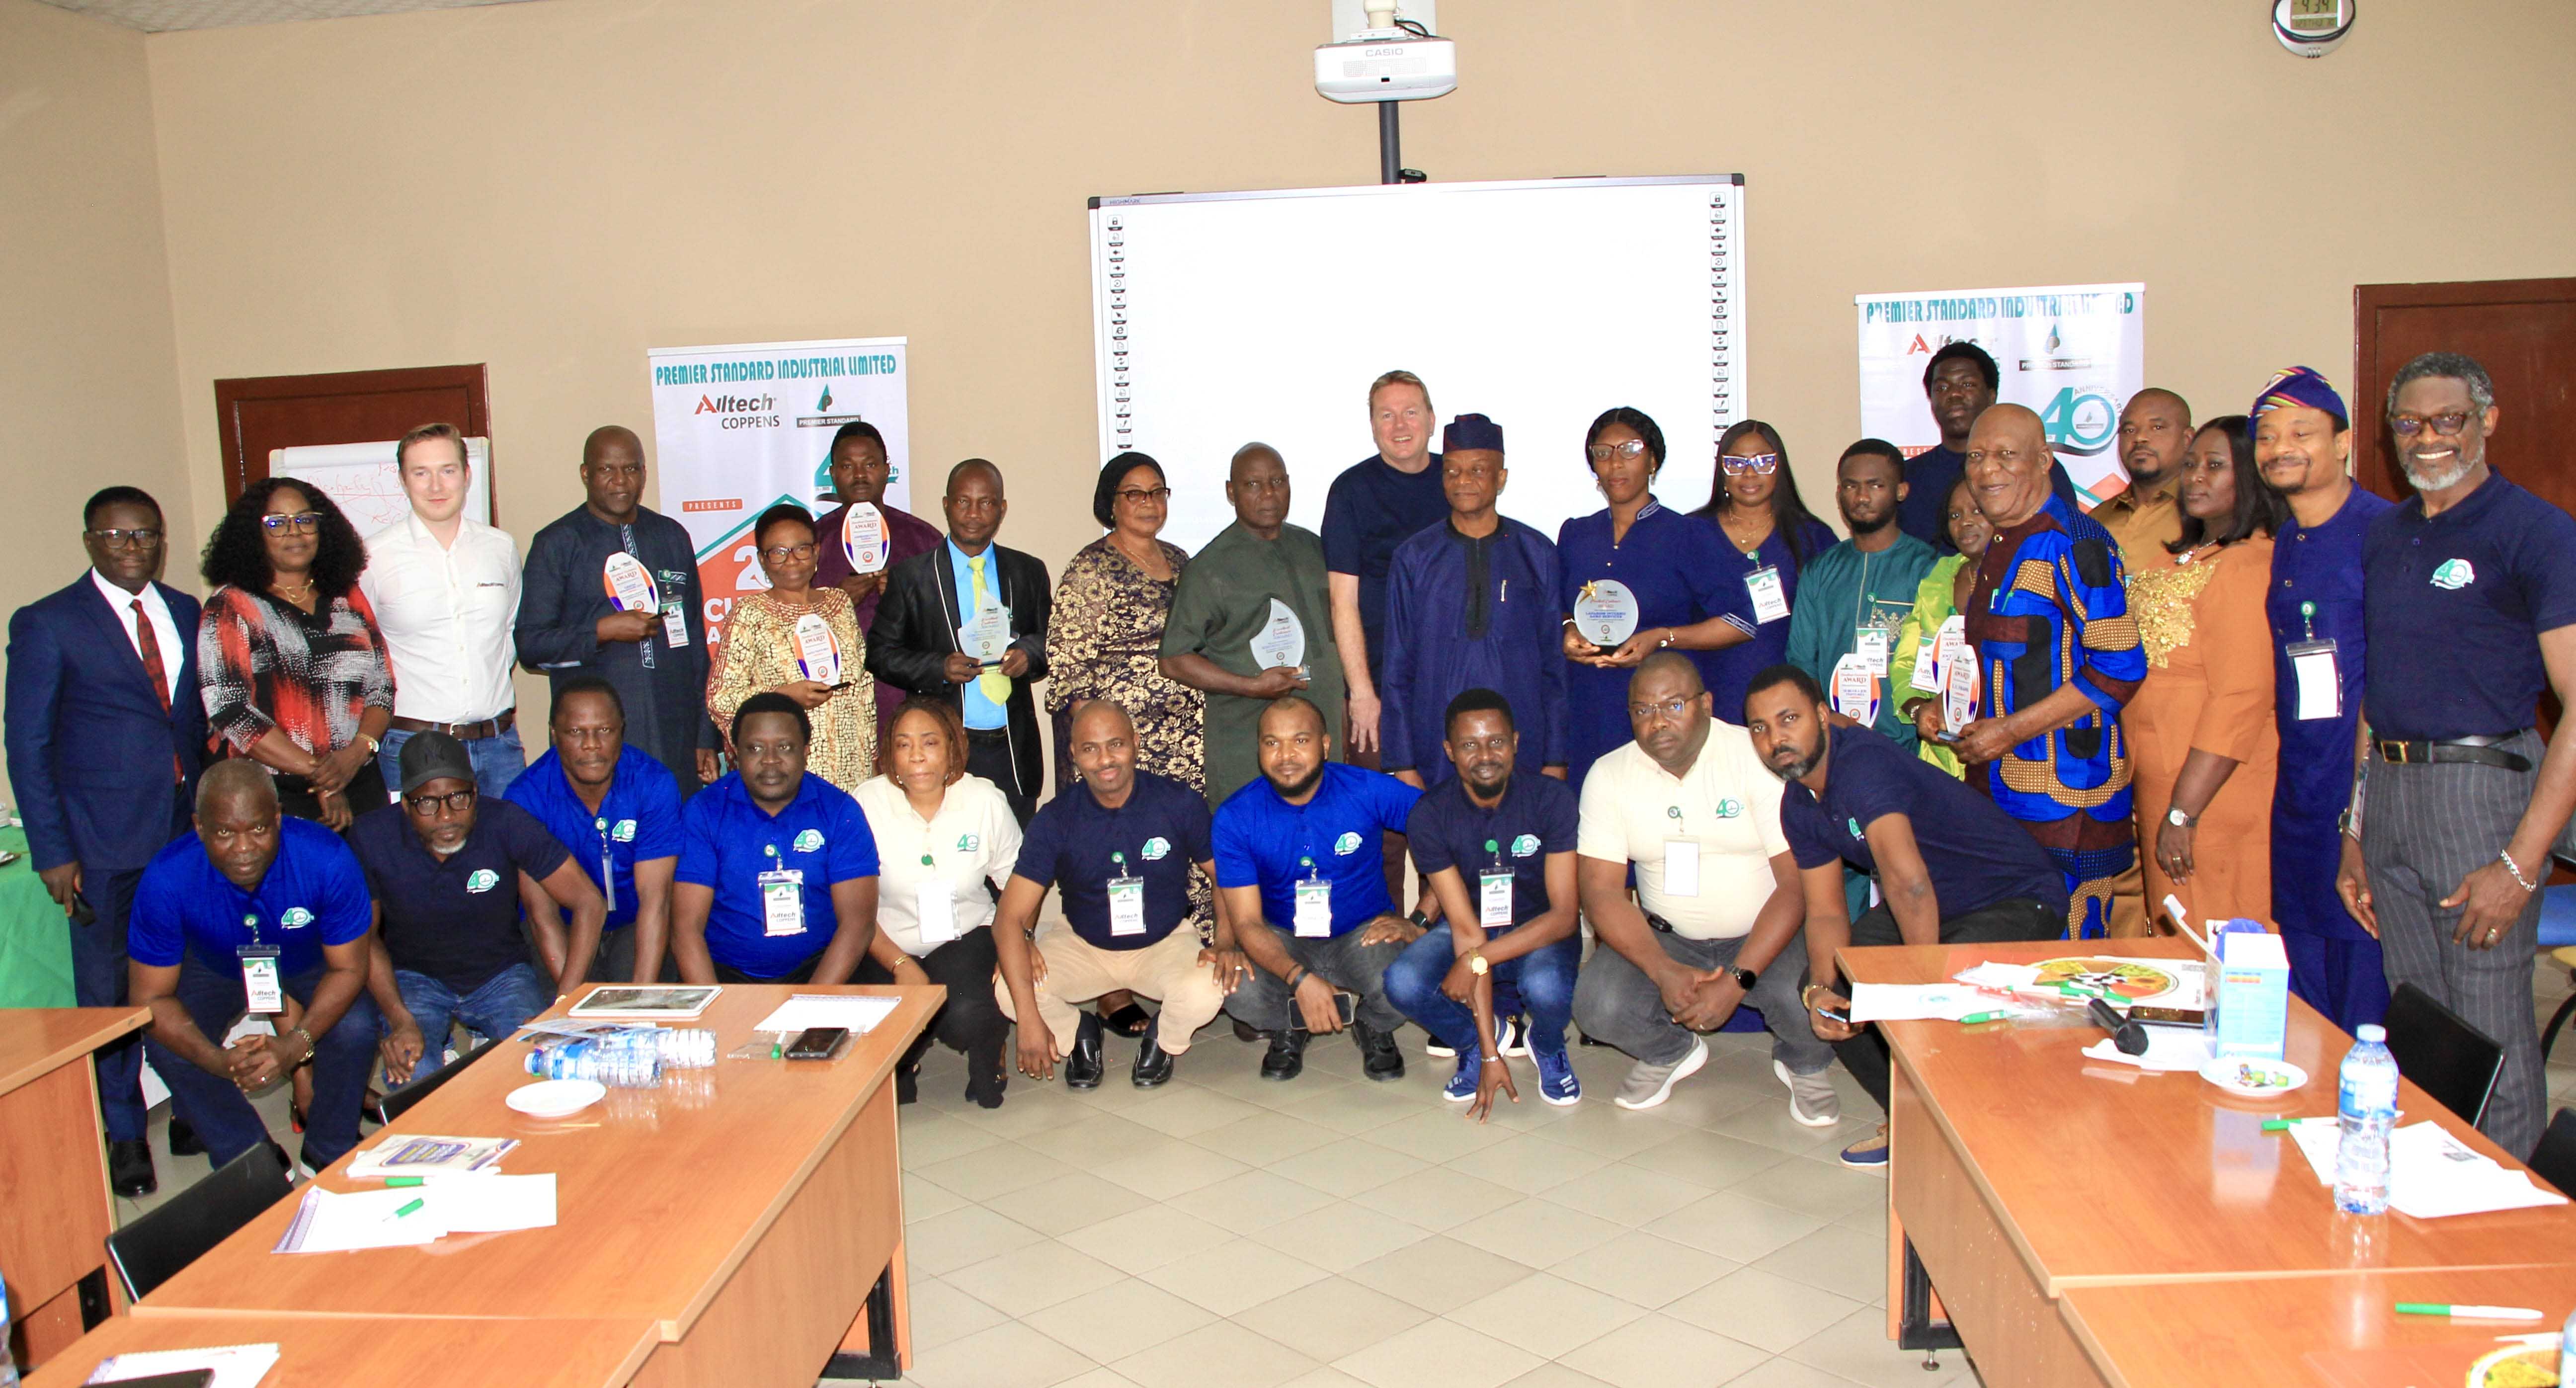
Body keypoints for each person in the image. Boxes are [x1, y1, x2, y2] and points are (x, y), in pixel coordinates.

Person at [2339, 351, 2576, 1159]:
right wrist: (2354, 828)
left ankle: (2512, 1218)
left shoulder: (2535, 531)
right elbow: (2376, 691)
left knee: (2489, 1036)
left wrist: (2519, 864)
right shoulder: (2385, 533)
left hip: (2480, 802)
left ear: (2486, 421)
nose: (2427, 437)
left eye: (2448, 419)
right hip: (2390, 794)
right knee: (2419, 1030)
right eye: (2409, 422)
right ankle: (2427, 1196)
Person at [1743, 665, 2064, 1168]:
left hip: (2013, 897)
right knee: (1839, 983)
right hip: (1933, 904)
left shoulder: (1862, 765)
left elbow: (1907, 883)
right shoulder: (1798, 803)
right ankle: (1913, 1120)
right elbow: (1826, 912)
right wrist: (1821, 990)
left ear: (1822, 717)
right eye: (1760, 728)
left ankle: (1987, 1134)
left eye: (1789, 719)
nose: (1775, 739)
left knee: (1944, 995)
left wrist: (1919, 984)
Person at [6, 485, 206, 1196]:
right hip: (99, 843)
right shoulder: (49, 622)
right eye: (117, 535)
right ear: (91, 541)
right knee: (109, 994)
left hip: (183, 830)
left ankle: (191, 1105)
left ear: (161, 541)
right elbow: (27, 745)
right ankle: (124, 1133)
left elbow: (189, 721)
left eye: (146, 534)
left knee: (191, 974)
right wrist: (53, 850)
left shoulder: (185, 610)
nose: (133, 547)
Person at [1570, 653, 1833, 1117]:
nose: (1657, 722)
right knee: (1597, 1004)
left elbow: (1795, 886)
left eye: (1673, 705)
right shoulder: (1609, 775)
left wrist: (1737, 980)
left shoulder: (1756, 757)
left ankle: (1805, 1062)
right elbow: (1601, 893)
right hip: (1667, 939)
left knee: (1806, 997)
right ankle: (1671, 1051)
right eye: (1643, 710)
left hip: (1764, 934)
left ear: (1707, 703)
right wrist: (1661, 970)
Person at [1950, 405, 2146, 940]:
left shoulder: (2076, 543)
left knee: (2070, 959)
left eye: (2006, 455)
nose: (1987, 469)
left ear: (2044, 461)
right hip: (2000, 793)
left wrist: (2011, 730)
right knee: (2012, 954)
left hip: (2070, 797)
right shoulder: (2002, 542)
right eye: (1976, 456)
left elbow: (2121, 666)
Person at [127, 761, 379, 1172]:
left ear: (278, 818)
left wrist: (295, 1045)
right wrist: (218, 1062)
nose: (244, 848)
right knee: (163, 1038)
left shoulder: (327, 858)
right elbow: (150, 998)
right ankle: (249, 1155)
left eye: (259, 828)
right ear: (199, 827)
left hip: (308, 958)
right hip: (217, 964)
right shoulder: (167, 877)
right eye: (225, 832)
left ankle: (329, 1146)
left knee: (356, 1026)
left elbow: (350, 969)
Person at [991, 700, 1228, 1089]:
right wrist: (1029, 1016)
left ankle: (1163, 1040)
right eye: (1090, 748)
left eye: (1116, 744)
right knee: (1008, 990)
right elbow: (1008, 918)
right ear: (1074, 754)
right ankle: (1079, 1033)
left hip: (1164, 941)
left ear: (1135, 743)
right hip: (1082, 943)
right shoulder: (1056, 818)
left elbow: (1226, 877)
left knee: (1209, 986)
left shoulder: (1178, 802)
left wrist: (1226, 941)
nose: (1105, 759)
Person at [2255, 367, 2393, 1030]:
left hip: (2363, 789)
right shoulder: (2288, 539)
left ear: (2342, 443)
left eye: (2301, 433)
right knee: (2306, 989)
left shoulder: (2384, 533)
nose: (2280, 447)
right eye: (2267, 436)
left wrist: (2361, 813)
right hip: (2301, 789)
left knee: (2362, 988)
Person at [355, 733, 607, 1084]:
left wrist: (564, 1001)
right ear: (406, 804)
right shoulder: (371, 837)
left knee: (547, 1065)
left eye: (459, 798)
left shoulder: (505, 822)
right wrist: (399, 1019)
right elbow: (364, 939)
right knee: (414, 1073)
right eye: (427, 803)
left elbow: (589, 901)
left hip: (501, 975)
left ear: (476, 792)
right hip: (415, 978)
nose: (446, 816)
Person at [1383, 690, 1583, 1105]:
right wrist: (1491, 1052)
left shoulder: (1553, 799)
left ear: (1515, 742)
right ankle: (1473, 1042)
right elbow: (1464, 927)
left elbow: (1565, 916)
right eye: (1469, 745)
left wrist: (1477, 960)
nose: (1485, 755)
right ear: (1450, 751)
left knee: (1545, 987)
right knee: (1403, 981)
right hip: (1472, 927)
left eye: (1496, 741)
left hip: (1539, 928)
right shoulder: (1429, 815)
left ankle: (1547, 1044)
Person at [1216, 695, 1427, 1082]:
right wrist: (1299, 978)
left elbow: (1448, 829)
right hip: (1283, 938)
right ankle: (1291, 1024)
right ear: (1259, 748)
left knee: (1411, 981)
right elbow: (1246, 922)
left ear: (1325, 745)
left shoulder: (1366, 789)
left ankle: (1372, 1024)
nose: (1286, 755)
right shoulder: (1236, 816)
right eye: (1272, 742)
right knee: (1237, 992)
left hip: (1364, 933)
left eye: (1300, 740)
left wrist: (1420, 920)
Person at [2125, 416, 2283, 929]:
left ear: (2252, 477)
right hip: (2160, 782)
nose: (2195, 476)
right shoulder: (2176, 559)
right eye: (2191, 464)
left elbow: (2241, 699)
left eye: (2215, 466)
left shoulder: (2247, 565)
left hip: (2212, 792)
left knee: (2216, 941)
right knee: (2174, 933)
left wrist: (2183, 811)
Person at [516, 426, 718, 797]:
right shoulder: (557, 543)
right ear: (586, 474)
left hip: (674, 730)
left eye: (631, 469)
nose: (621, 481)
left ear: (644, 472)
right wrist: (602, 632)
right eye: (607, 469)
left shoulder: (672, 537)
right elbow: (530, 645)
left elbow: (693, 640)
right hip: (595, 740)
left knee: (673, 825)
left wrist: (705, 734)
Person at [1555, 407, 1751, 790]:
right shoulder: (1576, 535)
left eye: (1630, 449)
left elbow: (1741, 622)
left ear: (1653, 460)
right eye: (1603, 452)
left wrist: (1663, 637)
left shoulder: (1687, 534)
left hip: (1662, 714)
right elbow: (1559, 608)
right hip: (1590, 707)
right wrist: (1567, 630)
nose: (1615, 463)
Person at [196, 477, 395, 829]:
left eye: (305, 520)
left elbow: (382, 687)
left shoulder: (347, 596)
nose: (295, 532)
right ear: (254, 534)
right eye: (277, 523)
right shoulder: (231, 605)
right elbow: (231, 710)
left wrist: (356, 754)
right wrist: (321, 775)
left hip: (359, 780)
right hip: (269, 795)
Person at [1381, 414, 1567, 786]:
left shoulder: (1536, 554)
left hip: (1524, 746)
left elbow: (1555, 667)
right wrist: (1403, 763)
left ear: (1501, 478)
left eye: (1478, 470)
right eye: (1452, 471)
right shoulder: (1414, 558)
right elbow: (1397, 669)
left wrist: (1556, 756)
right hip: (1436, 748)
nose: (1463, 480)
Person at [1161, 441, 1347, 808]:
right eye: (1253, 485)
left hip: (1323, 738)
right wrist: (1251, 686)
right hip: (1246, 744)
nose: (1269, 494)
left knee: (1327, 836)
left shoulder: (1315, 549)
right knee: (1255, 838)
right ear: (1231, 492)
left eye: (1278, 482)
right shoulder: (1210, 568)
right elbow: (1173, 660)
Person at [866, 459, 1052, 824]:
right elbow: (879, 654)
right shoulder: (911, 576)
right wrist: (939, 667)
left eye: (986, 502)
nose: (974, 513)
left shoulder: (1028, 571)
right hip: (941, 747)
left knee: (1014, 855)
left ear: (1002, 509)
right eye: (963, 501)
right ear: (946, 505)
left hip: (1011, 749)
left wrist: (1028, 655)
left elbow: (1052, 640)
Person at [855, 699, 1020, 1108]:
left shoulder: (983, 800)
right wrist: (901, 964)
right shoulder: (865, 803)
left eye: (929, 742)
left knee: (965, 1012)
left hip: (966, 933)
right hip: (887, 940)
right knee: (883, 1023)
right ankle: (906, 1056)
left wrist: (1020, 940)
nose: (916, 756)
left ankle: (988, 1048)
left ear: (952, 747)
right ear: (890, 753)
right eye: (903, 744)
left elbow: (1019, 883)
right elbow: (853, 908)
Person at [359, 422, 526, 798]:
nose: (436, 486)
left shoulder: (500, 548)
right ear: (403, 481)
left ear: (467, 475)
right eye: (421, 473)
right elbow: (362, 651)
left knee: (510, 837)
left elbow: (509, 632)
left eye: (447, 471)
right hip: (413, 746)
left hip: (499, 747)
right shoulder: (373, 557)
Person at [671, 693, 880, 984]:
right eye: (755, 748)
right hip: (726, 976)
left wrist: (810, 1004)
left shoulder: (840, 811)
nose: (770, 760)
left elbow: (858, 926)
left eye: (784, 747)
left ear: (806, 751)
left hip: (822, 972)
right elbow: (686, 930)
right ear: (735, 753)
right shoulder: (704, 812)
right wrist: (715, 1003)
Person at [1045, 452, 1204, 795]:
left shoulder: (1180, 559)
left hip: (1189, 742)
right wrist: (1105, 744)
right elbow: (1069, 667)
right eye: (1135, 494)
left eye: (1157, 492)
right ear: (1112, 503)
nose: (1149, 502)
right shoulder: (1091, 567)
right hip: (1126, 745)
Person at [506, 677, 684, 983]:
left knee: (635, 1001)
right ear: (554, 734)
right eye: (576, 732)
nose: (591, 744)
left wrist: (640, 996)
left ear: (621, 730)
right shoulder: (526, 798)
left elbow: (656, 900)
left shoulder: (653, 784)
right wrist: (571, 999)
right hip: (564, 927)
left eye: (604, 730)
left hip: (634, 922)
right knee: (567, 1004)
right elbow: (541, 914)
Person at [1323, 369, 1449, 770]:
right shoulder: (1350, 491)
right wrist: (1361, 692)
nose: (1399, 426)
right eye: (1386, 415)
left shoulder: (1458, 481)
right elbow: (1343, 602)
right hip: (1380, 685)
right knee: (1385, 802)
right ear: (1373, 426)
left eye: (1410, 412)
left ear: (1432, 419)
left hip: (1454, 676)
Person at [706, 504, 877, 790]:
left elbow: (863, 686)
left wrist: (872, 756)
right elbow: (720, 699)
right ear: (762, 560)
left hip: (853, 767)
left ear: (817, 551)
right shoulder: (750, 613)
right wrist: (783, 696)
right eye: (779, 552)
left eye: (801, 549)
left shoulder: (839, 604)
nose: (792, 560)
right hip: (786, 772)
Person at [1784, 439, 1937, 749]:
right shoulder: (1820, 571)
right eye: (1851, 486)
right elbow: (1803, 663)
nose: (1862, 497)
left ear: (1901, 491)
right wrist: (1826, 722)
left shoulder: (1929, 568)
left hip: (1911, 746)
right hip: (1837, 743)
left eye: (1876, 485)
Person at [810, 422, 946, 750]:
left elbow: (947, 625)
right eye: (847, 467)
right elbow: (790, 626)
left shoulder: (924, 540)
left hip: (908, 702)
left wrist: (906, 601)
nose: (859, 476)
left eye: (870, 464)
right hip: (836, 706)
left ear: (887, 470)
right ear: (833, 474)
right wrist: (835, 602)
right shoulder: (812, 542)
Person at [1696, 420, 1837, 722]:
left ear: (1779, 468)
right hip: (1708, 699)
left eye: (1763, 462)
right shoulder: (1690, 533)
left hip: (1789, 706)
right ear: (1722, 471)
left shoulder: (1813, 536)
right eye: (1736, 463)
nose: (1749, 473)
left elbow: (1832, 628)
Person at [1893, 343, 2078, 548]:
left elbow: (2066, 541)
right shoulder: (1908, 477)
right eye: (1942, 388)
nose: (1954, 395)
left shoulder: (2034, 467)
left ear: (1991, 396)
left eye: (1968, 385)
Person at [1889, 475, 1994, 779]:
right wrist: (1918, 710)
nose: (1965, 522)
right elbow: (1906, 662)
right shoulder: (1940, 576)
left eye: (1977, 511)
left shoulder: (2025, 576)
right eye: (1955, 515)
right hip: (1942, 759)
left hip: (2005, 754)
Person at [2091, 389, 2192, 574]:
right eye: (2129, 430)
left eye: (2157, 428)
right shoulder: (2096, 520)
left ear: (2188, 439)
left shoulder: (2203, 518)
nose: (2139, 438)